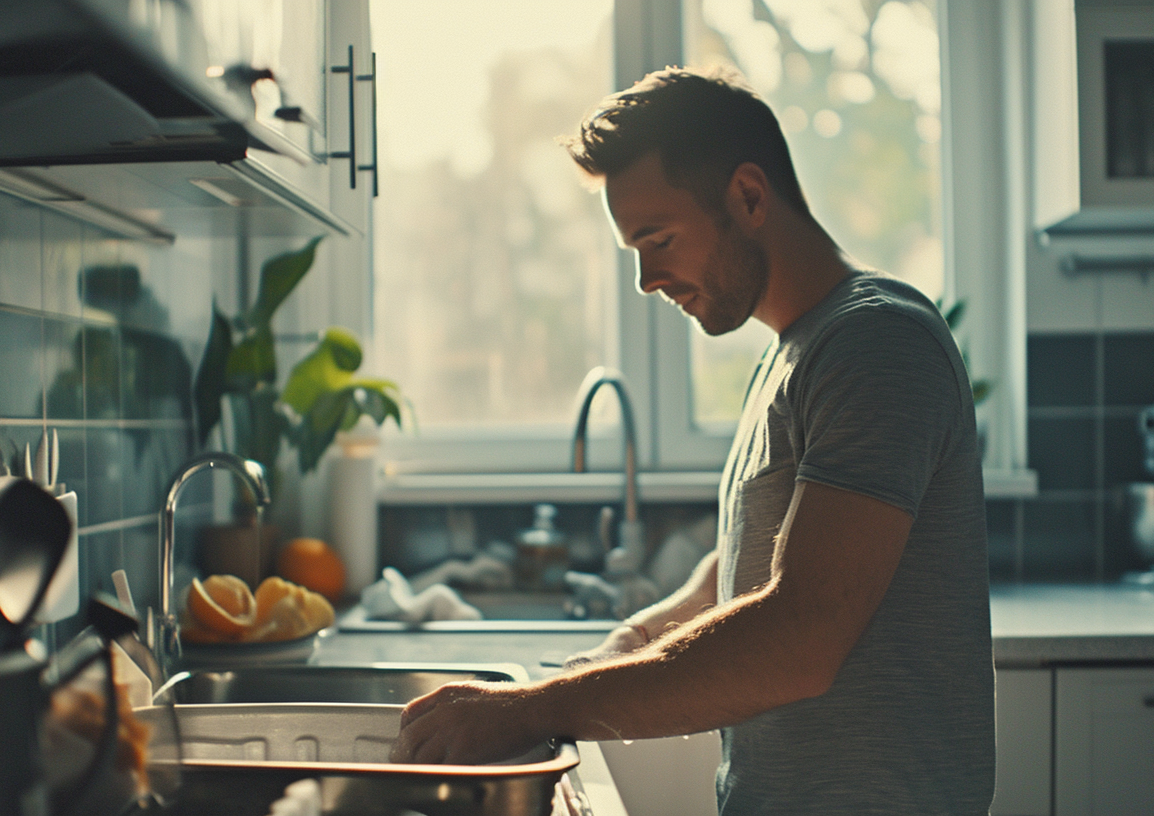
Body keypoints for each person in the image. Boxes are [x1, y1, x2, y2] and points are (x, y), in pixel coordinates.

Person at [392, 66, 994, 815]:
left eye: (659, 239)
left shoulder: (877, 343)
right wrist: (626, 643)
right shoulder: (794, 349)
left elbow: (801, 634)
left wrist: (533, 708)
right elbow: (742, 567)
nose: (646, 279)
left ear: (747, 196)